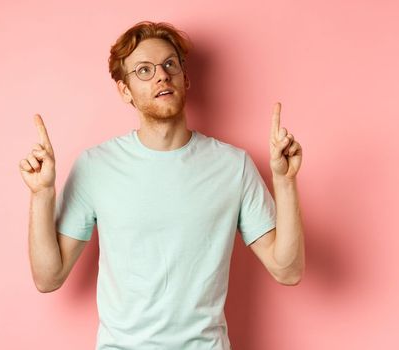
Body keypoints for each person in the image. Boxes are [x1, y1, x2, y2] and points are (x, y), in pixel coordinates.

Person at [18, 21, 305, 349]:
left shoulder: (232, 166)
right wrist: (42, 194)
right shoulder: (96, 166)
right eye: (144, 70)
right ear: (125, 90)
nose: (161, 75)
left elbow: (288, 270)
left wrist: (285, 182)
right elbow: (48, 277)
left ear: (186, 77)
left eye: (170, 64)